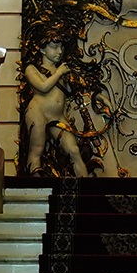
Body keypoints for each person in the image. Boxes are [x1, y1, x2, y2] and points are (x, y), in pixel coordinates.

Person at [20, 39, 89, 176]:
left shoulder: (62, 70)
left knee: (73, 150)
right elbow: (43, 86)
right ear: (42, 50)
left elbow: (75, 91)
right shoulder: (32, 69)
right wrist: (59, 73)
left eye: (61, 47)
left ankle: (84, 190)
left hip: (58, 116)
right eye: (54, 47)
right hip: (38, 112)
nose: (59, 51)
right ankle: (34, 189)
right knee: (37, 150)